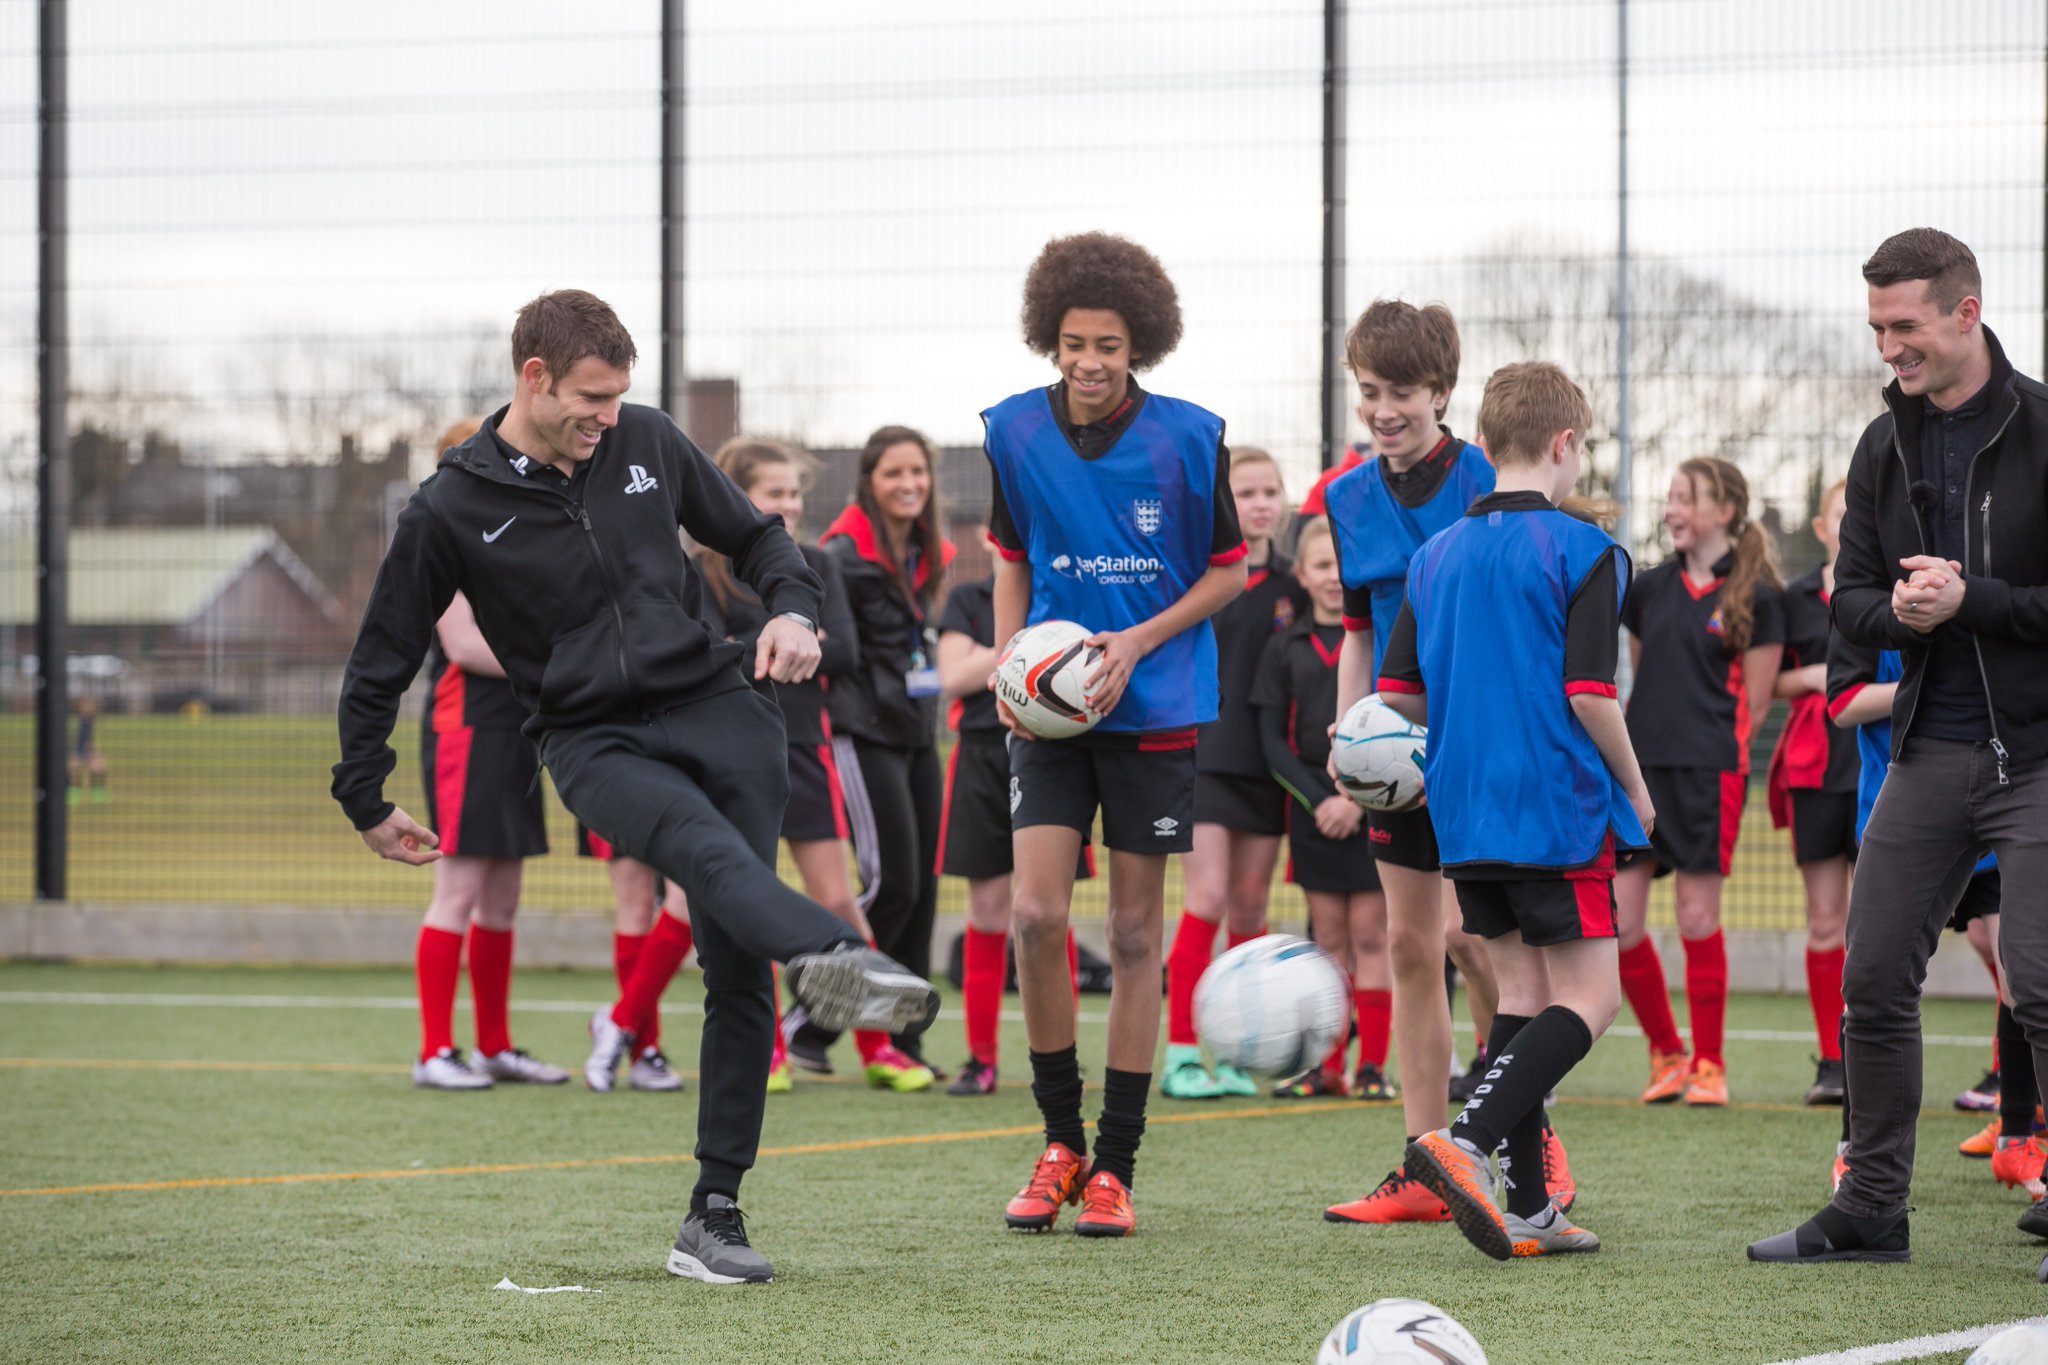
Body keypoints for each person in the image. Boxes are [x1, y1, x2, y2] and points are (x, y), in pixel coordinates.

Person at [332, 289, 938, 1286]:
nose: (605, 417)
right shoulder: (448, 507)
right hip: (590, 740)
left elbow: (757, 539)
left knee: (734, 962)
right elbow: (380, 654)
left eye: (616, 397)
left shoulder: (648, 439)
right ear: (534, 378)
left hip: (720, 707)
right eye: (589, 397)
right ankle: (834, 952)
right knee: (699, 857)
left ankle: (713, 1215)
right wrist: (364, 795)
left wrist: (790, 611)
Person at [1750, 228, 2048, 1267]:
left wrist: (1975, 601)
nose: (1887, 347)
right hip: (1926, 753)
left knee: (2040, 977)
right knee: (1871, 977)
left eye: (1904, 325)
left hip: (2038, 758)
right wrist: (1906, 620)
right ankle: (1870, 1209)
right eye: (1876, 327)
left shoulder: (2040, 428)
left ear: (1965, 311)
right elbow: (1850, 603)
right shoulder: (1880, 446)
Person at [985, 232, 1247, 1238]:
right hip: (1049, 712)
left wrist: (1135, 643)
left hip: (1155, 706)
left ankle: (1115, 1166)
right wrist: (1014, 664)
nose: (1090, 363)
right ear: (1047, 341)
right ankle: (1058, 1142)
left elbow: (1227, 570)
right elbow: (1009, 552)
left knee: (1135, 935)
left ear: (1139, 345)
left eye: (1108, 345)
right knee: (1035, 919)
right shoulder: (1011, 432)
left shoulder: (1188, 438)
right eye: (1072, 343)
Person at [1385, 360, 1651, 1261]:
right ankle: (1461, 1142)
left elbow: (1401, 695)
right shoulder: (1586, 552)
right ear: (1565, 444)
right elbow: (1590, 692)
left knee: (1525, 995)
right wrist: (1638, 789)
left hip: (1463, 811)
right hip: (1555, 805)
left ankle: (1532, 1205)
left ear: (1489, 441)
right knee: (1591, 996)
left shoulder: (1431, 555)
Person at [1321, 299, 1519, 1228]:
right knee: (1408, 942)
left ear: (1442, 391)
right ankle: (1425, 1165)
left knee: (1473, 937)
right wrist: (1345, 732)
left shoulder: (1487, 475)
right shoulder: (1345, 494)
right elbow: (1357, 629)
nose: (1383, 409)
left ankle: (1514, 1120)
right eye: (1369, 391)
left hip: (1483, 735)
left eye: (1401, 391)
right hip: (1394, 745)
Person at [1825, 626, 2028, 1192]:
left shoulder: (1985, 589)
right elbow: (1842, 702)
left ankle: (2018, 1135)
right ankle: (1855, 1152)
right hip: (1901, 812)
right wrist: (1930, 685)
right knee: (1870, 977)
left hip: (2003, 804)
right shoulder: (1869, 608)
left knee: (2019, 969)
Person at [696, 437, 871, 1095]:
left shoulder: (819, 561)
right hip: (731, 754)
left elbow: (845, 650)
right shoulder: (704, 570)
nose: (791, 505)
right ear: (737, 498)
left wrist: (768, 641)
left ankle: (885, 1040)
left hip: (804, 751)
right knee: (747, 897)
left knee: (835, 897)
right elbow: (710, 655)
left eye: (796, 492)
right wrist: (786, 637)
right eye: (776, 493)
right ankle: (766, 1048)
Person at [786, 425, 955, 1093]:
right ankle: (809, 1016)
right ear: (869, 480)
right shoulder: (841, 550)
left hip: (917, 728)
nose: (908, 484)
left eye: (918, 471)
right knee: (890, 884)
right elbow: (839, 649)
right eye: (893, 473)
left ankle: (901, 1037)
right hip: (859, 729)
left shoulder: (928, 548)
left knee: (923, 892)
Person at [1612, 456, 1784, 1108]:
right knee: (1621, 920)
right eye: (1670, 497)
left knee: (1695, 915)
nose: (1671, 509)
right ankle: (1667, 1052)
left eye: (1686, 498)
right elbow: (1641, 669)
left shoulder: (1759, 596)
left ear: (1726, 511)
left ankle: (1710, 1063)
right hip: (1641, 772)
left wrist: (1710, 746)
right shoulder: (1648, 588)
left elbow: (1757, 703)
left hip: (1711, 772)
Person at [408, 417, 569, 1091]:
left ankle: (495, 1046)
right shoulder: (444, 533)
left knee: (502, 898)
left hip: (518, 729)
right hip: (465, 728)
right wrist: (561, 664)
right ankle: (435, 1051)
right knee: (460, 889)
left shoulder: (520, 543)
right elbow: (466, 648)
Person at [1163, 446, 1305, 1100]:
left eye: (1269, 491)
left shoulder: (1297, 587)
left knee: (1250, 907)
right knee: (1208, 899)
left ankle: (1243, 1053)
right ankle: (1184, 1052)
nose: (1258, 503)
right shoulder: (1204, 575)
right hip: (1207, 757)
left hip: (1268, 765)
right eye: (1244, 492)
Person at [933, 570, 1092, 1097]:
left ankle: (1063, 1059)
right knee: (987, 912)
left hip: (1054, 756)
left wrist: (998, 655)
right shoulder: (967, 595)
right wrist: (1026, 654)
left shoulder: (1063, 588)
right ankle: (981, 1061)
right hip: (980, 757)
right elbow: (953, 677)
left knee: (1050, 911)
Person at [1252, 515, 1394, 1101]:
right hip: (1314, 812)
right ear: (1302, 578)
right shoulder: (1283, 647)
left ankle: (1373, 1068)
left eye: (1341, 566)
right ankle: (1328, 1065)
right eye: (1320, 567)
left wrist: (1358, 801)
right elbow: (1272, 741)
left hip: (1374, 803)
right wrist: (1321, 801)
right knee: (1329, 938)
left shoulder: (1380, 639)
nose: (1334, 578)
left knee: (1372, 936)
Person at [1764, 478, 1856, 1105]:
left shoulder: (1892, 587)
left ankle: (1878, 1056)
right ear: (1821, 528)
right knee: (1826, 919)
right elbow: (1764, 683)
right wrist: (1817, 676)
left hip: (1883, 761)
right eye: (1840, 515)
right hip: (1816, 766)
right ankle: (1833, 1062)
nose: (1851, 524)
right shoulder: (1793, 598)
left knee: (1886, 928)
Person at [575, 829, 689, 1094]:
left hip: (682, 790)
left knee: (686, 901)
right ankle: (643, 1050)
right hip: (616, 789)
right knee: (635, 905)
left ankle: (618, 1020)